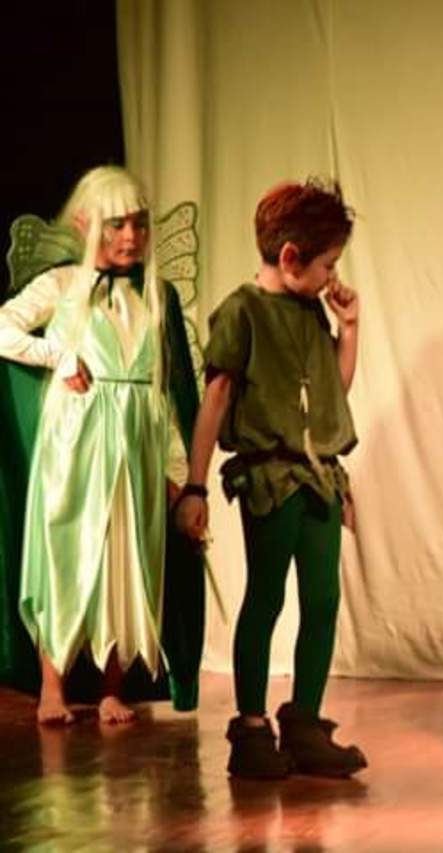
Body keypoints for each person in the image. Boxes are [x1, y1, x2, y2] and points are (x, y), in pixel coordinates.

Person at [176, 178, 366, 779]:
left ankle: (304, 723)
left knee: (323, 599)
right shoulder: (242, 311)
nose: (331, 276)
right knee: (266, 596)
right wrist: (195, 486)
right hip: (270, 477)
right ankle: (253, 728)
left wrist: (350, 328)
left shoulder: (311, 309)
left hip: (319, 477)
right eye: (327, 264)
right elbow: (216, 398)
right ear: (290, 257)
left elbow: (332, 390)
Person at [0, 165, 195, 725]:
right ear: (86, 224)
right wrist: (57, 356)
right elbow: (4, 327)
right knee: (64, 553)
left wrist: (177, 466)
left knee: (126, 560)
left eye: (138, 223)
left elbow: (164, 387)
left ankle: (113, 686)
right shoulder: (62, 286)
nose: (130, 236)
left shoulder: (155, 295)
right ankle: (52, 686)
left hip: (137, 440)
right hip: (76, 442)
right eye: (116, 225)